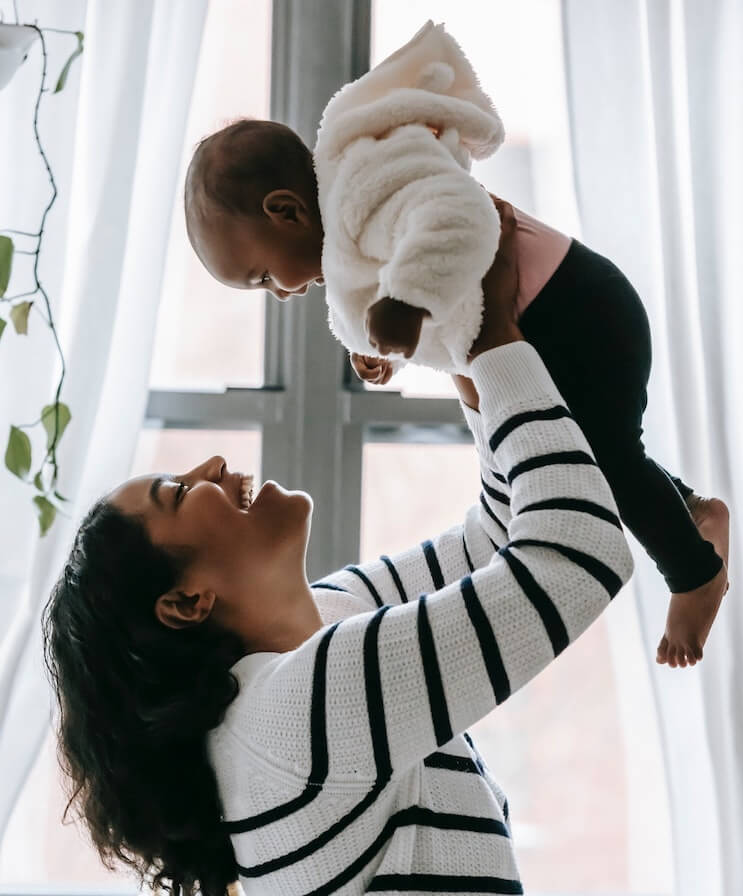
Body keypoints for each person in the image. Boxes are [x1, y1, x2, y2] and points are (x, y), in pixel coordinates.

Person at [43, 219, 633, 895]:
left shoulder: (327, 616)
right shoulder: (296, 715)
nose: (209, 463)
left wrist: (464, 347)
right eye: (178, 492)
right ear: (186, 601)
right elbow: (580, 554)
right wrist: (497, 337)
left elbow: (495, 538)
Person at [181, 25, 729, 669]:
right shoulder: (347, 240)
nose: (278, 294)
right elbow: (437, 299)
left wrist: (403, 305)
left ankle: (693, 574)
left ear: (286, 211)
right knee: (594, 452)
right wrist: (383, 344)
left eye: (264, 277)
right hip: (551, 320)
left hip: (578, 308)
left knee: (600, 457)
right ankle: (690, 509)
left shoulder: (367, 179)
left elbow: (458, 217)